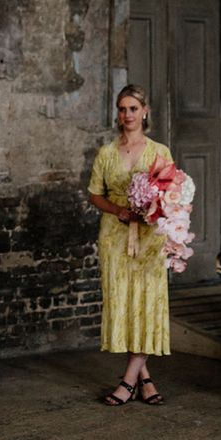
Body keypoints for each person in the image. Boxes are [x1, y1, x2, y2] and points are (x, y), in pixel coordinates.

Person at [88, 83, 171, 406]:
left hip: (150, 240)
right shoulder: (106, 153)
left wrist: (150, 209)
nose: (127, 115)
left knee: (147, 306)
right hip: (115, 237)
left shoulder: (159, 152)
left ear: (144, 111)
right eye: (122, 109)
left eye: (133, 108)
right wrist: (118, 209)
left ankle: (127, 381)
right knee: (125, 305)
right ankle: (145, 379)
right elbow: (95, 193)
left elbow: (171, 195)